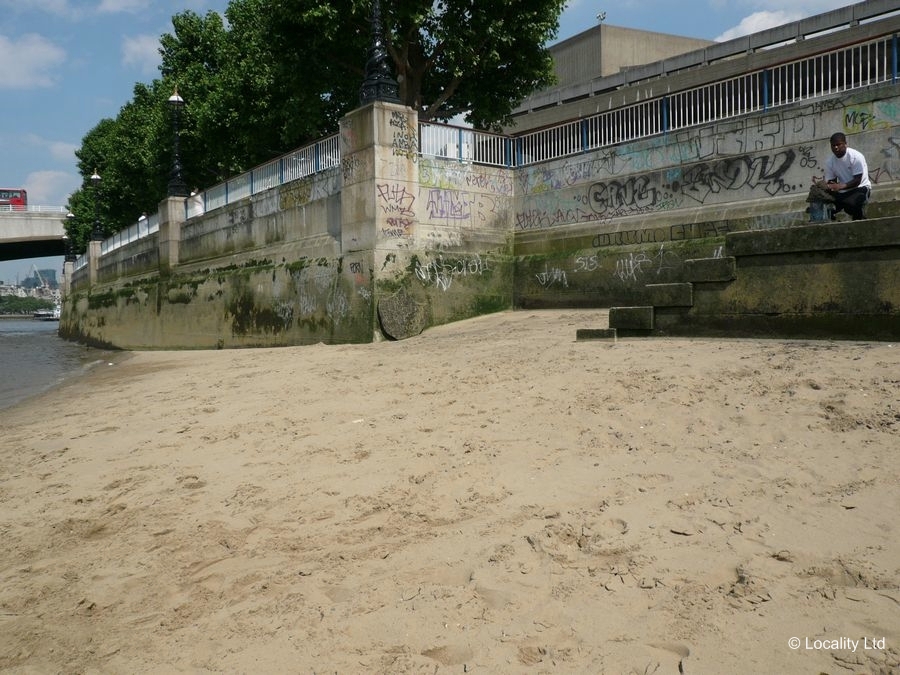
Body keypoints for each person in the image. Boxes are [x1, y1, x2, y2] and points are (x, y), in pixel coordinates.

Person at [823, 132, 871, 220]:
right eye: (833, 145)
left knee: (851, 204)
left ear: (845, 144)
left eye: (838, 144)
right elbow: (831, 181)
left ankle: (860, 219)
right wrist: (829, 187)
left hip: (860, 188)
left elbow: (857, 180)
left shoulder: (856, 157)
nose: (835, 147)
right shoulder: (830, 162)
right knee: (825, 205)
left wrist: (841, 186)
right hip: (843, 191)